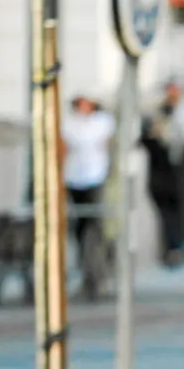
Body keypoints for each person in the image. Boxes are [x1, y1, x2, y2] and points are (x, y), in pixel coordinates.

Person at [142, 81, 184, 265]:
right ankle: (170, 248)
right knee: (166, 214)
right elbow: (146, 139)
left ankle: (175, 247)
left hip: (178, 170)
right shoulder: (156, 113)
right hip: (159, 173)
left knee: (176, 213)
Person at [62, 96, 116, 260]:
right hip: (74, 176)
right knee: (80, 218)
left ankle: (103, 254)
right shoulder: (70, 123)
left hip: (96, 175)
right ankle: (83, 254)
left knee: (97, 217)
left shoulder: (102, 122)